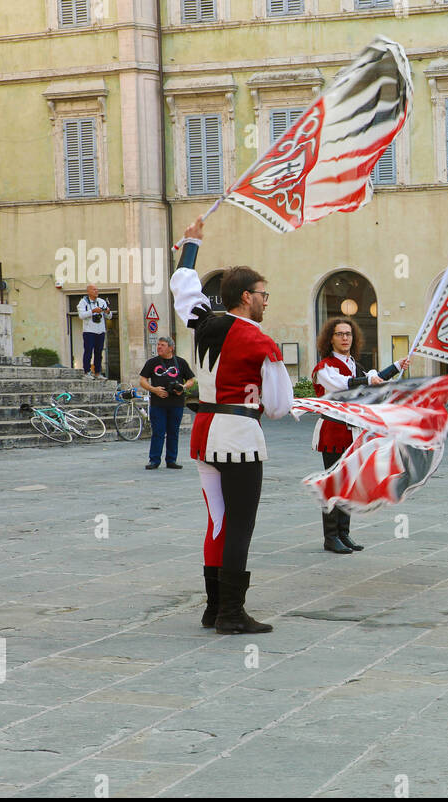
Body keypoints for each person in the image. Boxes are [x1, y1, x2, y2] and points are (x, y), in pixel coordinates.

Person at [170, 216, 291, 634]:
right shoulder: (260, 341)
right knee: (240, 525)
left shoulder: (205, 323)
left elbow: (183, 288)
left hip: (204, 434)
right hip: (239, 436)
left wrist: (191, 244)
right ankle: (231, 613)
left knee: (218, 522)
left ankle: (213, 608)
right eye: (262, 294)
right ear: (246, 297)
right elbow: (278, 406)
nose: (266, 301)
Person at [312, 318, 410, 554]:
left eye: (348, 334)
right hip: (334, 431)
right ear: (330, 338)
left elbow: (372, 382)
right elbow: (344, 386)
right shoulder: (325, 367)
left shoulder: (356, 365)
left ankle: (343, 533)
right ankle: (330, 536)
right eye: (340, 334)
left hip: (354, 432)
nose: (345, 338)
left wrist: (397, 366)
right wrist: (368, 379)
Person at [138, 337, 196, 470]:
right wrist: (154, 390)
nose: (159, 347)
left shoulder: (180, 362)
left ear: (171, 348)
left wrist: (183, 387)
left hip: (176, 403)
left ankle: (171, 460)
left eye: (162, 345)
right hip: (158, 403)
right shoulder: (152, 362)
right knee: (158, 432)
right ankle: (154, 460)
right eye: (158, 345)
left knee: (173, 432)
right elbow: (142, 380)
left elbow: (191, 380)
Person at [77, 285, 112, 380]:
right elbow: (81, 315)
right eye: (94, 289)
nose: (96, 291)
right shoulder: (83, 302)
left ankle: (98, 373)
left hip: (100, 331)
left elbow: (109, 316)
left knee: (99, 353)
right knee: (88, 351)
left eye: (97, 289)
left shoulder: (102, 301)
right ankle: (86, 372)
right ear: (88, 292)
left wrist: (108, 312)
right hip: (89, 331)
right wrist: (93, 311)